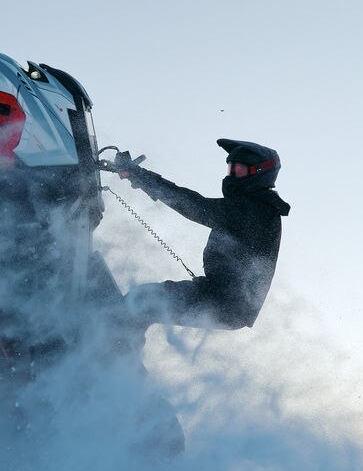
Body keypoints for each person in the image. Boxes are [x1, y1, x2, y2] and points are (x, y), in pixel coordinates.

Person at [109, 138, 290, 331]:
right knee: (143, 302)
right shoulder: (257, 208)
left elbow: (193, 206)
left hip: (223, 303)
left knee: (142, 301)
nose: (232, 176)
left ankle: (105, 342)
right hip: (218, 295)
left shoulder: (255, 211)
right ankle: (117, 341)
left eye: (239, 170)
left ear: (259, 173)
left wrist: (138, 175)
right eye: (231, 169)